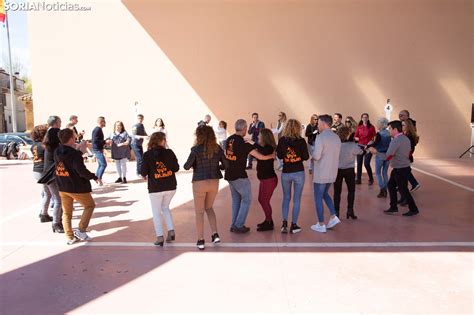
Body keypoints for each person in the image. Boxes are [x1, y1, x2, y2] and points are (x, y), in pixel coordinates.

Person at [224, 119, 275, 233]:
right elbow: (260, 157)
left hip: (229, 175)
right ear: (244, 128)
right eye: (246, 128)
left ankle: (234, 224)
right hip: (239, 176)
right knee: (246, 200)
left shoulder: (228, 139)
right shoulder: (244, 144)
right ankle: (238, 224)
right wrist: (271, 156)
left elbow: (225, 154)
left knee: (236, 200)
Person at [54, 128, 102, 245]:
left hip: (62, 185)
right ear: (71, 139)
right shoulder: (75, 154)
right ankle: (81, 230)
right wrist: (94, 177)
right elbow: (81, 170)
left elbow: (68, 156)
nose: (75, 139)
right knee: (90, 205)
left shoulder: (57, 151)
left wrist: (79, 149)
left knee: (67, 212)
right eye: (74, 137)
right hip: (76, 186)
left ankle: (70, 236)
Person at [184, 126, 228, 250]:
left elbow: (186, 166)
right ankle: (215, 234)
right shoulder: (217, 148)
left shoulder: (195, 150)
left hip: (199, 182)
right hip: (214, 181)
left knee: (199, 212)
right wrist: (216, 167)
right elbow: (226, 165)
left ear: (198, 135)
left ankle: (200, 239)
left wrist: (194, 164)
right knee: (209, 208)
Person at [369, 121, 419, 216]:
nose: (389, 131)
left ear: (395, 130)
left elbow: (388, 156)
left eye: (390, 129)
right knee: (392, 186)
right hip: (402, 167)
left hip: (400, 168)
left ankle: (413, 208)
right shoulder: (405, 138)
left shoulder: (396, 141)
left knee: (403, 189)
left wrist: (376, 152)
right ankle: (393, 207)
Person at [140, 132, 179, 246]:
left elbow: (143, 172)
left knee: (156, 212)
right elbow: (176, 168)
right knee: (165, 207)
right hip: (171, 186)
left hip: (156, 187)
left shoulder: (147, 155)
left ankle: (159, 236)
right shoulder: (169, 152)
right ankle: (171, 230)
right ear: (162, 141)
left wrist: (146, 174)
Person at [276, 119, 309, 234]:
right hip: (299, 172)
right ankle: (294, 225)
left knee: (286, 198)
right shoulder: (301, 141)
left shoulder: (282, 140)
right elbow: (306, 157)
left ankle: (284, 223)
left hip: (286, 172)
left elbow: (279, 155)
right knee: (297, 199)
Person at [310, 114, 341, 233]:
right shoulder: (336, 137)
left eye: (318, 123)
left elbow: (317, 156)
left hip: (321, 172)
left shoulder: (321, 137)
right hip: (332, 172)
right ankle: (333, 216)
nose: (317, 125)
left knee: (318, 196)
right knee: (324, 194)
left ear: (323, 124)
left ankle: (321, 224)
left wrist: (311, 153)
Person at [246, 128, 278, 231]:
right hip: (265, 179)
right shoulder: (263, 147)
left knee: (264, 201)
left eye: (259, 135)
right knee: (262, 200)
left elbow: (264, 152)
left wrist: (253, 143)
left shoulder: (269, 147)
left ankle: (269, 222)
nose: (258, 137)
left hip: (269, 179)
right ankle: (268, 220)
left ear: (264, 137)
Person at [333, 127, 363, 219]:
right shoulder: (352, 145)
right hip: (349, 170)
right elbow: (360, 152)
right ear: (348, 134)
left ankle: (336, 212)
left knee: (337, 192)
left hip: (337, 170)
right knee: (351, 191)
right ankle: (350, 210)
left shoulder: (335, 145)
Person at [41, 115, 64, 233]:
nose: (61, 123)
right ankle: (56, 223)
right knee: (58, 199)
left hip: (47, 171)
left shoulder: (48, 133)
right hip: (52, 172)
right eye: (59, 122)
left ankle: (46, 215)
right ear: (55, 123)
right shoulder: (55, 132)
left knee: (49, 196)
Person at [30, 124, 53, 223]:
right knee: (48, 194)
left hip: (36, 170)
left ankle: (43, 212)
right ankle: (44, 214)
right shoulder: (43, 146)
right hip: (43, 171)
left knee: (45, 192)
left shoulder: (34, 145)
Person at [369, 117, 392, 198]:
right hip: (388, 154)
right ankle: (385, 188)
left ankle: (382, 190)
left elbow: (375, 143)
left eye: (378, 123)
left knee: (378, 173)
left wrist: (368, 145)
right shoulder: (389, 133)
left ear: (381, 124)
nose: (377, 125)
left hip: (380, 154)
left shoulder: (379, 134)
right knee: (385, 172)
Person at [354, 113, 376, 185]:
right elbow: (355, 136)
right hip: (360, 146)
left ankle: (371, 179)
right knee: (359, 163)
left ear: (368, 118)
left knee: (366, 163)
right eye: (363, 117)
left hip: (368, 147)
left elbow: (374, 137)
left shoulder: (371, 127)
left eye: (366, 117)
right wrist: (357, 138)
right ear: (361, 118)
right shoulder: (359, 127)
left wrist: (371, 142)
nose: (365, 118)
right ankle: (358, 179)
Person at [402, 119, 421, 195]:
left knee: (403, 173)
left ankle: (413, 184)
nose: (401, 126)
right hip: (405, 157)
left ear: (408, 126)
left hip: (406, 157)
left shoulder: (409, 137)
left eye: (403, 125)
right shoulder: (405, 135)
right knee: (405, 172)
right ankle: (413, 184)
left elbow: (410, 149)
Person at [91, 116, 109, 182]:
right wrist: (105, 142)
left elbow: (97, 140)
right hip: (97, 150)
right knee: (104, 164)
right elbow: (95, 141)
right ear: (101, 122)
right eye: (104, 121)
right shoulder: (97, 129)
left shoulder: (98, 129)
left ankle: (97, 178)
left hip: (98, 149)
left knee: (100, 165)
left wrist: (104, 142)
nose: (105, 123)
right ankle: (99, 179)